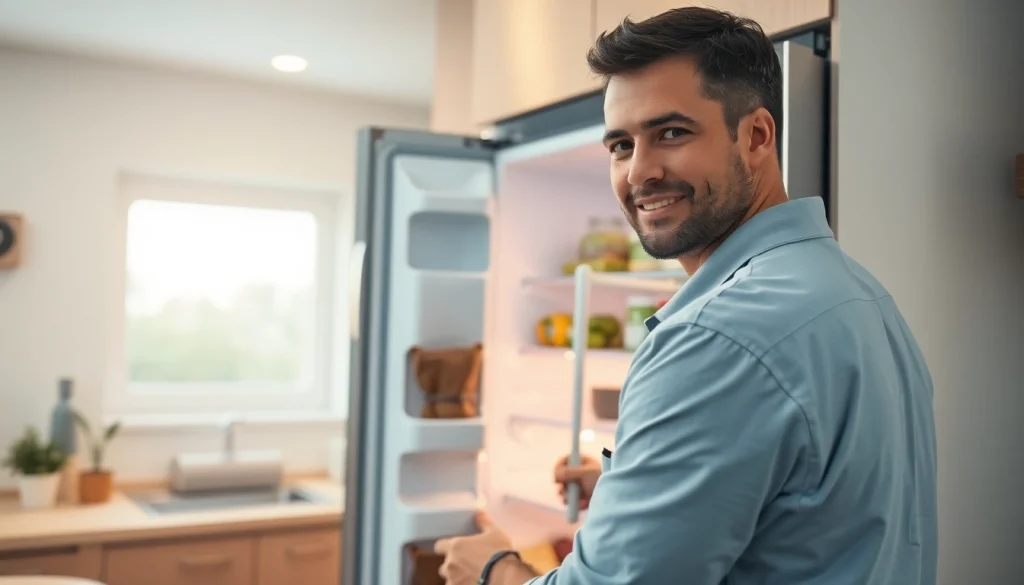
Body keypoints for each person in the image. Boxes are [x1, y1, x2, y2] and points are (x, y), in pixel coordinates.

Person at [434, 6, 938, 585]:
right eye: (621, 145)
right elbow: (821, 504)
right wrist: (640, 488)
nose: (640, 172)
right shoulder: (863, 296)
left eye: (671, 133)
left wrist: (492, 568)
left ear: (756, 136)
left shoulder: (717, 334)